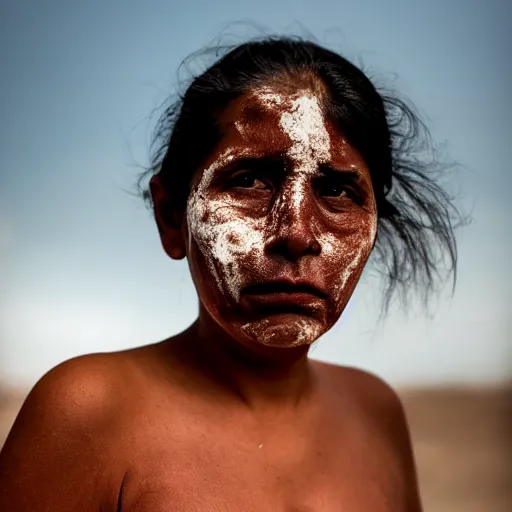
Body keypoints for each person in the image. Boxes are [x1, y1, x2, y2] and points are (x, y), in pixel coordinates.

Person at [0, 35, 464, 511]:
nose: (296, 233)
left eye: (337, 191)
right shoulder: (87, 414)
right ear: (171, 217)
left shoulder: (377, 412)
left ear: (373, 227)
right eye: (249, 180)